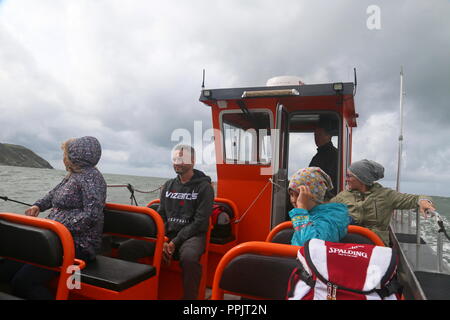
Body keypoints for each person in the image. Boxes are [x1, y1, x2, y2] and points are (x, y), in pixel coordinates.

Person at [0, 136, 106, 299]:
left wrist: (56, 224)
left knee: (23, 283)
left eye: (65, 154)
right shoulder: (73, 175)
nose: (63, 159)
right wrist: (38, 206)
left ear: (75, 156)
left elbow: (91, 216)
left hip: (79, 244)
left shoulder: (92, 179)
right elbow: (53, 194)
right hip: (57, 237)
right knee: (6, 269)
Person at [118, 144, 214, 300]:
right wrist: (162, 239)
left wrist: (174, 242)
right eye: (175, 158)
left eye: (182, 158)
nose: (177, 162)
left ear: (193, 160)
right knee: (127, 248)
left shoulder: (204, 187)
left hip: (192, 236)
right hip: (166, 234)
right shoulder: (168, 185)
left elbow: (200, 222)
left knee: (189, 259)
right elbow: (161, 215)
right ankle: (137, 294)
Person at [330, 159, 435, 246]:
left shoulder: (385, 195)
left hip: (375, 243)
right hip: (348, 242)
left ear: (361, 179)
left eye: (349, 176)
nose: (346, 179)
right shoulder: (343, 196)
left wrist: (424, 202)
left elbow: (414, 199)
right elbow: (325, 209)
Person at [288, 167, 349, 246]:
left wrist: (302, 208)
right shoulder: (309, 216)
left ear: (314, 196)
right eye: (291, 195)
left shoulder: (329, 219)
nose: (293, 200)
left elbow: (309, 246)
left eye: (298, 195)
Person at [309, 125, 339, 198]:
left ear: (329, 136)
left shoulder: (333, 154)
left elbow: (329, 178)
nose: (316, 138)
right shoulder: (319, 155)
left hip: (325, 196)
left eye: (319, 134)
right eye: (315, 135)